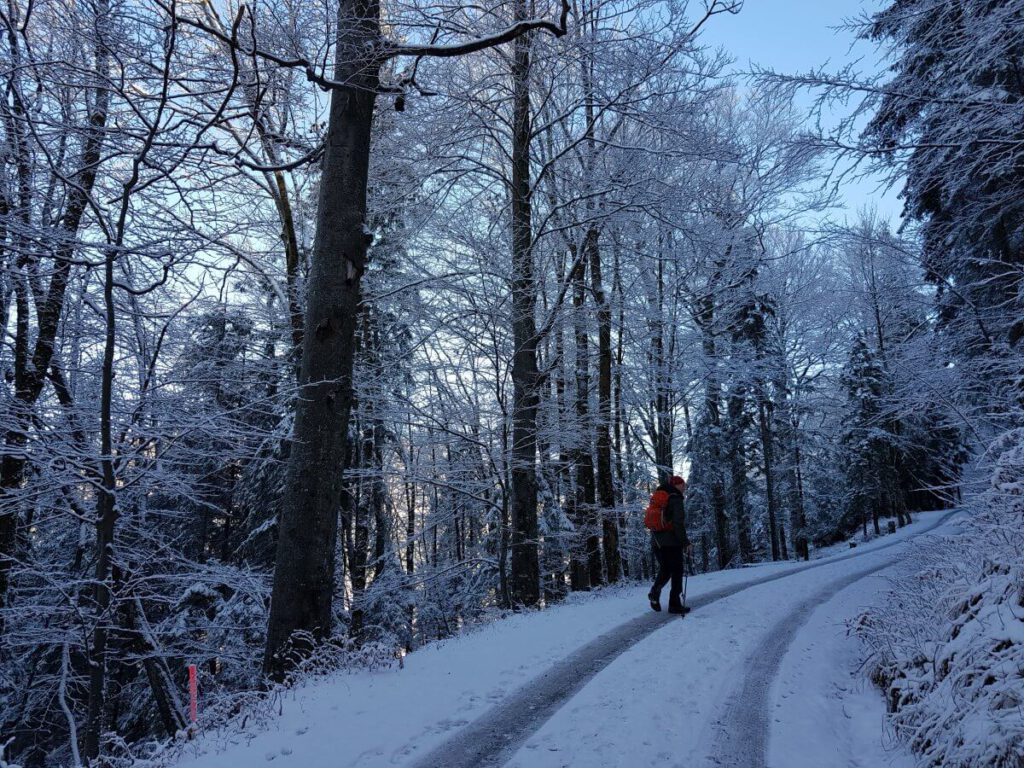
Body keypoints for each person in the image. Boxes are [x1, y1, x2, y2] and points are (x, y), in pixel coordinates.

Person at [648, 475, 691, 614]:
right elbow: (678, 523)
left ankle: (655, 592)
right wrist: (685, 542)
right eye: (682, 485)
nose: (684, 487)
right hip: (671, 542)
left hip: (656, 541)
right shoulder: (675, 499)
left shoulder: (659, 497)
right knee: (677, 571)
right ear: (676, 485)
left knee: (666, 569)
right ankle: (674, 604)